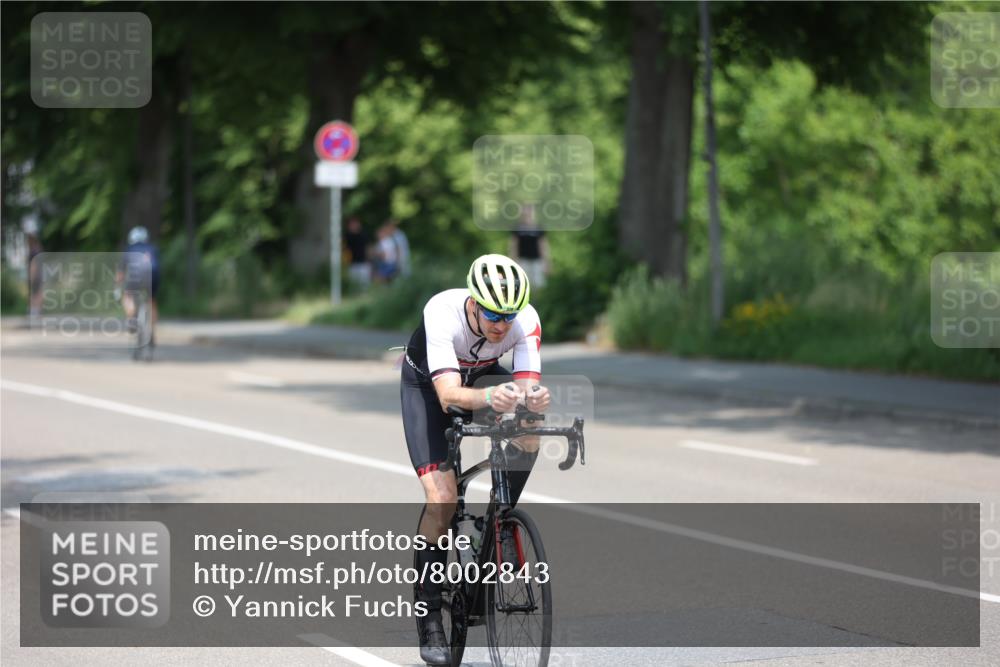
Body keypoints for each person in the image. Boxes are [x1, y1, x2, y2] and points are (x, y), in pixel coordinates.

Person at [400, 254, 550, 665]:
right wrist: (490, 398)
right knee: (443, 499)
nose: (501, 324)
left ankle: (501, 520)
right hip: (429, 389)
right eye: (491, 313)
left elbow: (524, 388)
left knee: (530, 423)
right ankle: (429, 615)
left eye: (508, 315)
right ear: (472, 302)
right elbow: (448, 396)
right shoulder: (441, 311)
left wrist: (532, 399)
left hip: (480, 376)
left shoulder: (525, 321)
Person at [117, 226, 160, 347]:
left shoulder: (129, 249)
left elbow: (121, 274)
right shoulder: (153, 248)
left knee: (127, 295)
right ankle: (152, 332)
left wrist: (118, 284)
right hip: (153, 275)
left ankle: (131, 319)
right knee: (152, 301)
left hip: (136, 276)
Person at [509, 203, 549, 289]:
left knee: (537, 284)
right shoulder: (518, 228)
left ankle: (536, 301)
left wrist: (545, 261)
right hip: (522, 260)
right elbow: (514, 245)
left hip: (536, 260)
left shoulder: (538, 227)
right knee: (523, 282)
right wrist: (513, 260)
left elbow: (543, 245)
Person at [343, 217, 371, 290]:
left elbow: (367, 248)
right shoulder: (347, 236)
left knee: (364, 283)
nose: (353, 226)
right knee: (353, 283)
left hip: (363, 262)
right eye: (351, 224)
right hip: (351, 263)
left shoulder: (363, 235)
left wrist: (368, 260)